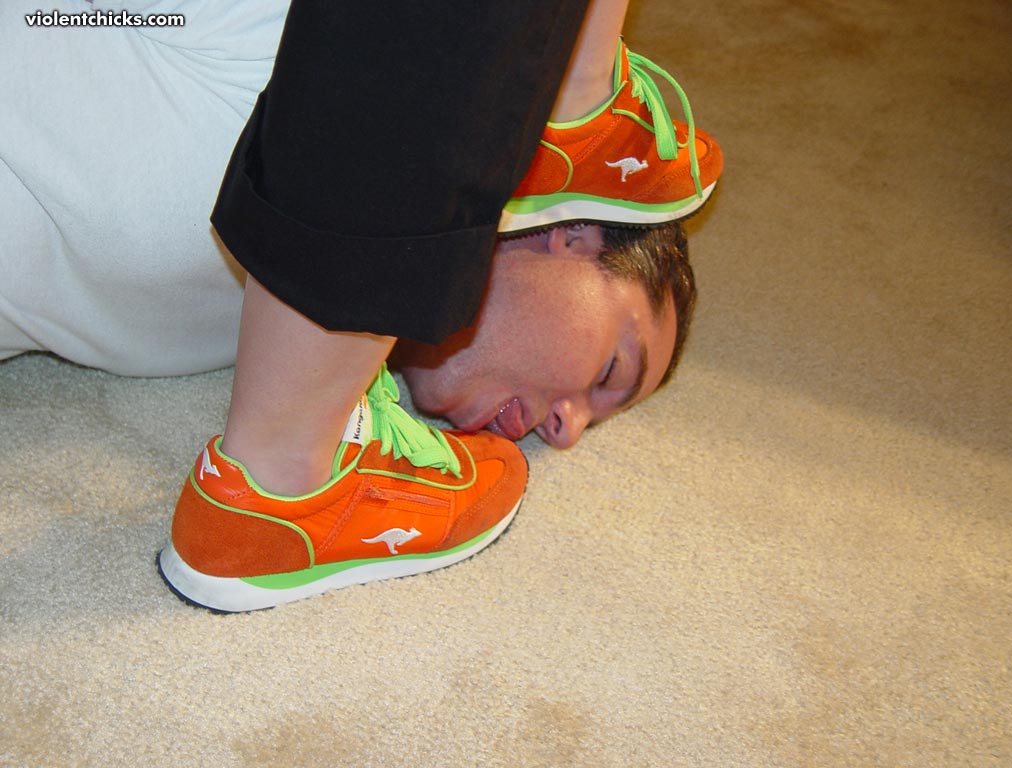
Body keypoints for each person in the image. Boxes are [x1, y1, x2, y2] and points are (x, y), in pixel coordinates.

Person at [0, 0, 721, 610]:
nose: (567, 431)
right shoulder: (325, 46)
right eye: (609, 372)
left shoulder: (282, 355)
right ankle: (585, 105)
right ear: (576, 231)